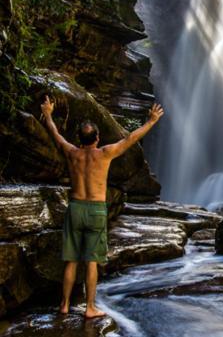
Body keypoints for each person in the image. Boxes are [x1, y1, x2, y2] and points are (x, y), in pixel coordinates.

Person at [40, 95, 164, 318]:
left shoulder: (72, 153)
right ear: (97, 138)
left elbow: (56, 135)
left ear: (79, 139)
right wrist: (151, 121)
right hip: (96, 210)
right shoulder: (105, 154)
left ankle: (65, 305)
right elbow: (130, 139)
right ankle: (89, 308)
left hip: (76, 208)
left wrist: (48, 114)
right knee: (91, 262)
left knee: (71, 261)